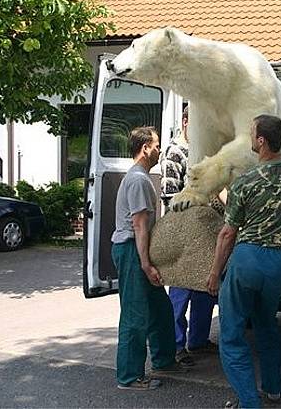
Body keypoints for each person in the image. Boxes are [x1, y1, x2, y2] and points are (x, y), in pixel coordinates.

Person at [206, 114, 281, 408]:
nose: (249, 136)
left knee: (231, 334)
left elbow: (228, 233)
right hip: (279, 261)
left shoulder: (246, 181)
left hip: (248, 258)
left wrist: (215, 273)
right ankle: (274, 388)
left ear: (261, 141)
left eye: (251, 132)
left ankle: (249, 401)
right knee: (267, 323)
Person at [111, 126, 186, 391]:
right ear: (145, 149)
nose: (159, 150)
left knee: (160, 309)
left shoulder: (139, 176)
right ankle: (129, 377)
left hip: (137, 249)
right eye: (156, 146)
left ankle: (164, 360)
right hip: (132, 251)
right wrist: (146, 263)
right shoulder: (139, 180)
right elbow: (140, 225)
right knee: (135, 315)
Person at [160, 106, 218, 366]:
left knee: (205, 289)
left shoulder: (202, 151)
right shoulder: (175, 153)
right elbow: (170, 197)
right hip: (184, 233)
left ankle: (198, 340)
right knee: (180, 292)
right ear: (185, 122)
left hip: (205, 233)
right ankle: (174, 345)